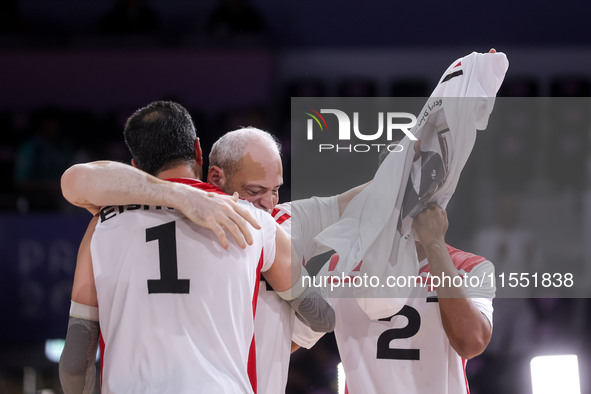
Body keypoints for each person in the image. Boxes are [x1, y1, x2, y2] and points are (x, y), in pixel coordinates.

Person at [61, 126, 364, 394]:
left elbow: (76, 360)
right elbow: (321, 315)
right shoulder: (262, 225)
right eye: (255, 190)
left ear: (135, 166)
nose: (269, 202)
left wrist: (283, 338)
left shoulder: (108, 220)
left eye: (275, 190)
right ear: (202, 158)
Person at [293, 204, 495, 393]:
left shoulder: (472, 269)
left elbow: (471, 343)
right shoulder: (340, 266)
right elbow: (293, 338)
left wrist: (434, 244)